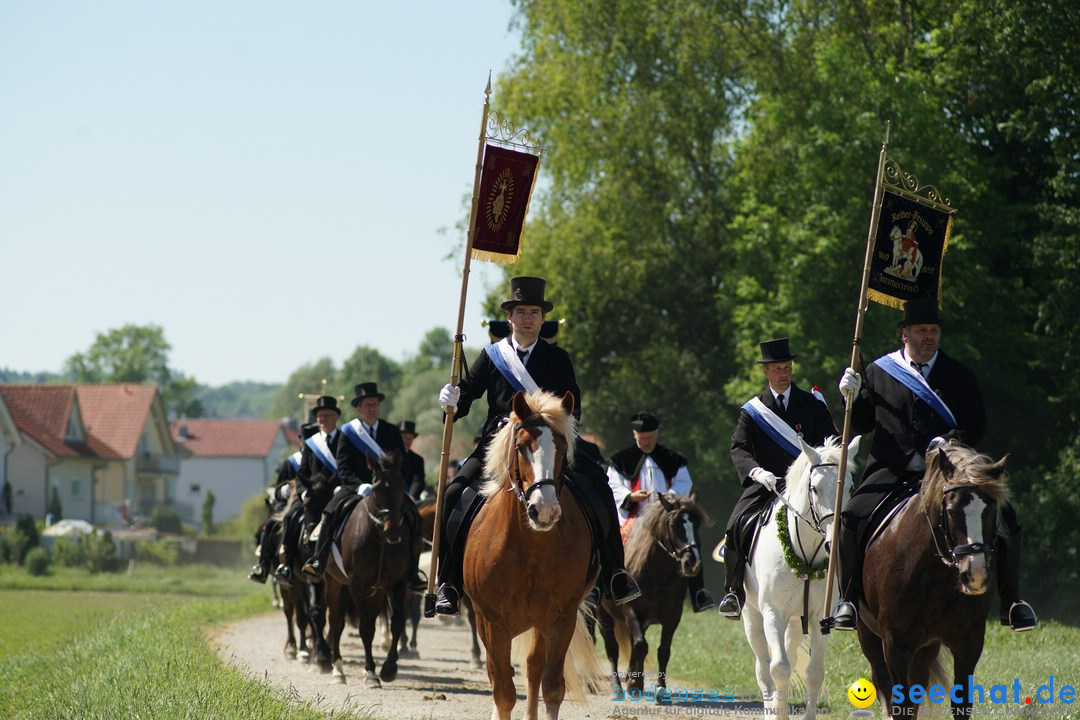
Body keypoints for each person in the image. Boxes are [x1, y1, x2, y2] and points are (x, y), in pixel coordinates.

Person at [434, 276, 641, 615]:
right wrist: (450, 401)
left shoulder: (558, 358)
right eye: (521, 312)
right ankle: (449, 582)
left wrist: (552, 426)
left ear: (543, 320)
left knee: (599, 486)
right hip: (501, 444)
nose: (528, 319)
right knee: (454, 492)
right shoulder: (490, 356)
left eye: (534, 312)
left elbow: (575, 409)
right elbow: (465, 400)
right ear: (510, 318)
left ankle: (615, 574)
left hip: (549, 442)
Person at [825, 299, 1036, 632]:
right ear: (904, 334)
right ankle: (848, 599)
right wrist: (849, 396)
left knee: (1005, 515)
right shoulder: (879, 372)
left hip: (948, 470)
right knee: (850, 517)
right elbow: (861, 424)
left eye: (934, 331)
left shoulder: (960, 375)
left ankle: (1012, 602)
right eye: (922, 330)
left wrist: (948, 441)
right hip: (890, 470)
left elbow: (976, 424)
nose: (929, 337)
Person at [720, 338, 837, 619]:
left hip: (810, 486)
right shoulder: (753, 411)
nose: (784, 373)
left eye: (787, 367)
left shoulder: (811, 404)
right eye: (777, 368)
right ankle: (734, 591)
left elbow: (833, 440)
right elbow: (739, 448)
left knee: (839, 522)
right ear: (766, 372)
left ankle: (845, 593)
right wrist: (755, 471)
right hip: (767, 485)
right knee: (735, 525)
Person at [302, 383, 426, 592]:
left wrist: (390, 483)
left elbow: (400, 461)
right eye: (367, 405)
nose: (372, 408)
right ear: (359, 408)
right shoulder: (347, 433)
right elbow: (343, 466)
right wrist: (360, 486)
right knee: (329, 512)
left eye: (375, 404)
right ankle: (318, 560)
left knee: (414, 516)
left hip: (386, 489)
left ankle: (412, 572)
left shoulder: (391, 431)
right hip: (355, 488)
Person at [608, 411, 715, 613]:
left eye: (650, 438)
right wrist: (630, 497)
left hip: (666, 518)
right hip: (635, 517)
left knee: (689, 540)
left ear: (656, 435)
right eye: (642, 438)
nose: (647, 442)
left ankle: (698, 593)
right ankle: (615, 586)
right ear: (634, 435)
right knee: (613, 544)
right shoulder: (620, 460)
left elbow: (684, 484)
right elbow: (612, 486)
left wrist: (668, 499)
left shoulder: (673, 459)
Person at [275, 397, 340, 585]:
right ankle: (287, 565)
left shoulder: (345, 439)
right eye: (320, 416)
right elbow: (303, 472)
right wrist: (303, 490)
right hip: (312, 493)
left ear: (336, 417)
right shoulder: (312, 444)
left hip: (335, 492)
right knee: (290, 517)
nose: (323, 419)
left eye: (327, 415)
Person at [248, 450, 300, 583]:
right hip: (287, 503)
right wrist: (286, 491)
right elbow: (278, 489)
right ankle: (264, 565)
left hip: (316, 497)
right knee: (268, 526)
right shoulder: (291, 462)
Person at [398, 420, 427, 500]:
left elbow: (418, 480)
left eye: (410, 438)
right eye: (404, 437)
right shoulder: (388, 455)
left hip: (409, 498)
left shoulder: (418, 460)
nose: (407, 441)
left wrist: (412, 496)